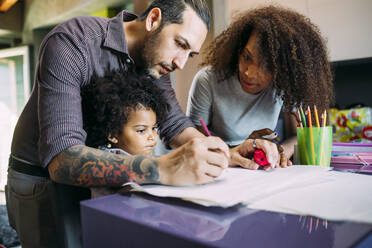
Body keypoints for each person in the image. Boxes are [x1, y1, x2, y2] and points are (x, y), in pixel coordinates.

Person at [6, 1, 280, 247]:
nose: (181, 63)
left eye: (190, 54)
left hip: (98, 182)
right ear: (153, 20)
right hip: (41, 181)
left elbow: (173, 123)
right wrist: (164, 168)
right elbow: (62, 159)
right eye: (181, 44)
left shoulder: (154, 62)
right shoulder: (72, 41)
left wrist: (223, 154)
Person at [187, 5, 334, 169]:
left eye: (266, 67)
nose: (249, 73)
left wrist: (280, 152)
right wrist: (232, 154)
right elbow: (193, 141)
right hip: (220, 167)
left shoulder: (283, 88)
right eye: (247, 57)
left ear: (283, 71)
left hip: (261, 170)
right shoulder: (207, 80)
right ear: (239, 48)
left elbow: (295, 134)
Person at [81, 69, 169, 197]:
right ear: (113, 134)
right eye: (141, 130)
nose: (152, 137)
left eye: (154, 128)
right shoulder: (105, 164)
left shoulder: (142, 154)